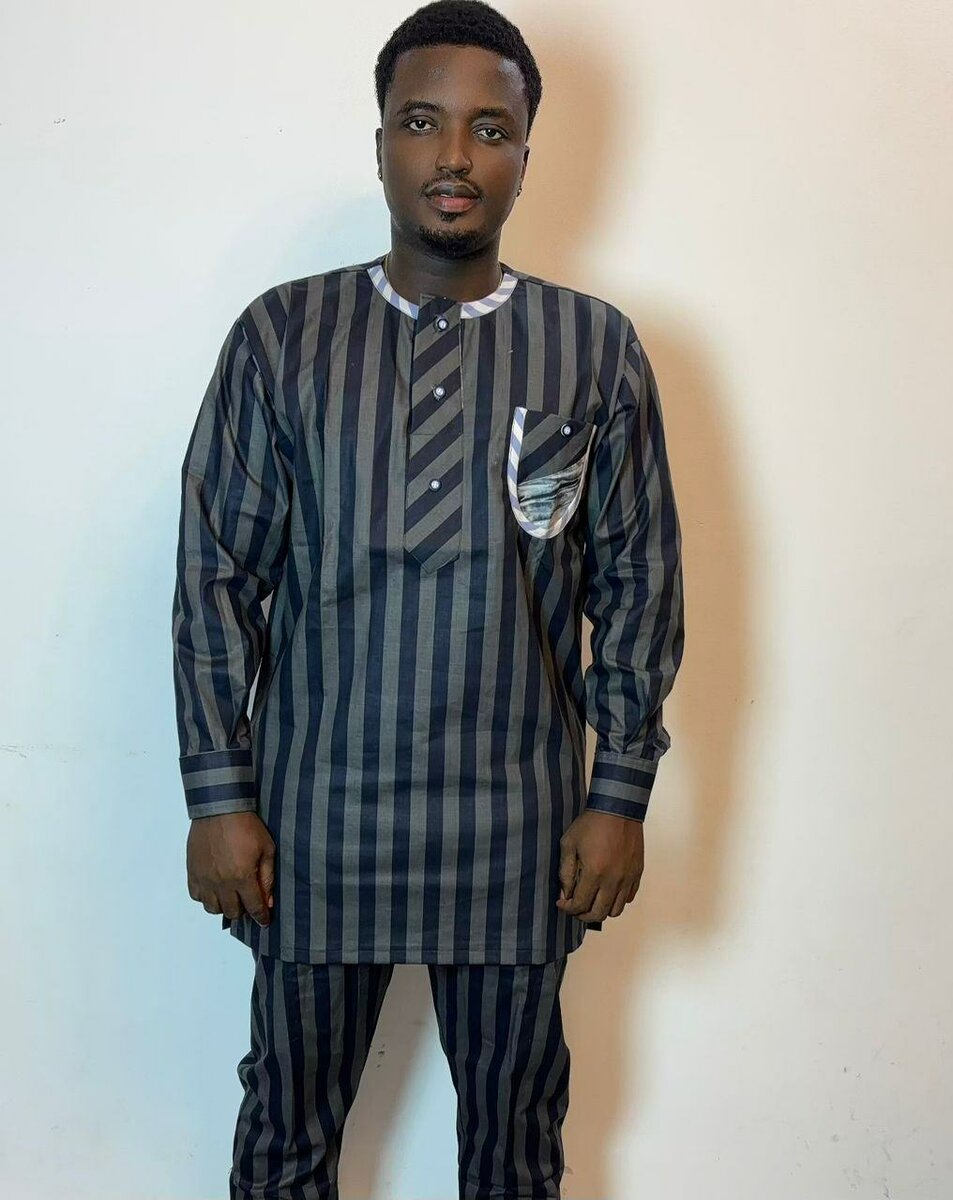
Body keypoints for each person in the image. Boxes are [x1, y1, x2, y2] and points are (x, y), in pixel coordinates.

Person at [171, 1, 685, 1196]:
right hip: (314, 825)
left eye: (488, 129)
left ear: (524, 155)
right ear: (379, 145)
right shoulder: (282, 339)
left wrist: (618, 794)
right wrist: (218, 797)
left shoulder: (591, 349)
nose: (453, 155)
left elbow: (638, 579)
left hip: (518, 832)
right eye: (421, 122)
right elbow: (215, 577)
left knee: (514, 1149)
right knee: (284, 1139)